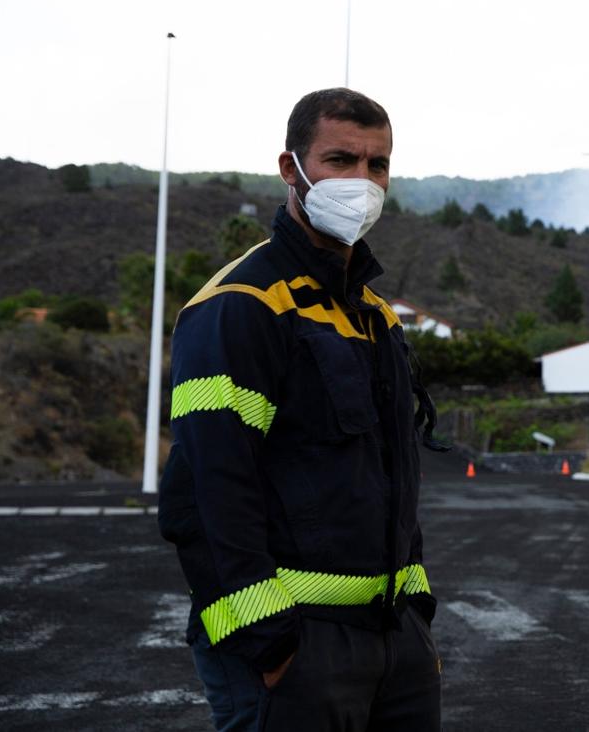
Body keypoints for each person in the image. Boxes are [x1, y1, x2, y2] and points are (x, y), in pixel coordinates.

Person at [158, 88, 441, 731]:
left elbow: (394, 475)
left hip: (392, 644)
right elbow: (207, 492)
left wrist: (416, 620)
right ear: (292, 170)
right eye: (341, 160)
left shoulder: (374, 316)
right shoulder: (241, 305)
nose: (362, 182)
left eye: (378, 165)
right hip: (292, 650)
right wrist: (270, 644)